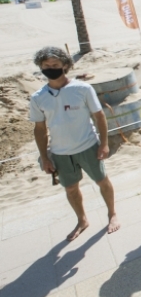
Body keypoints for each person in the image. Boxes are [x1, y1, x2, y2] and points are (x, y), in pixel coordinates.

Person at [29, 46, 119, 241]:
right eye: (46, 65)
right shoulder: (38, 98)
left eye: (55, 64)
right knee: (70, 188)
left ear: (65, 65)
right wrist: (44, 157)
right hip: (60, 153)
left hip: (88, 146)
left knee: (102, 180)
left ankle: (112, 214)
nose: (50, 68)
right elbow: (39, 129)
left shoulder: (82, 88)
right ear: (40, 67)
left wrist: (104, 144)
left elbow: (99, 116)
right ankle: (82, 219)